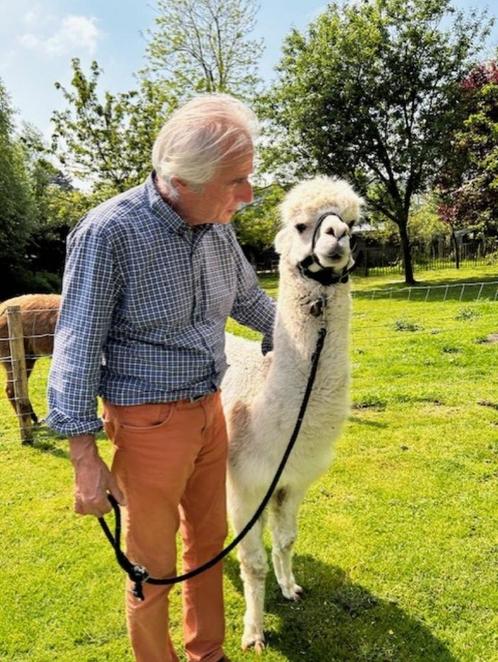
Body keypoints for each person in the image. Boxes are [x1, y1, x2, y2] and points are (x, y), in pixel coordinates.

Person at [47, 93, 276, 662]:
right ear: (186, 179)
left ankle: (208, 652)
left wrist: (307, 337)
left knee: (209, 542)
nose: (248, 196)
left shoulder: (216, 228)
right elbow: (75, 345)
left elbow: (250, 301)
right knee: (152, 562)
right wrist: (84, 459)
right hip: (148, 424)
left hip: (211, 411)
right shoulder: (110, 233)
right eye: (237, 181)